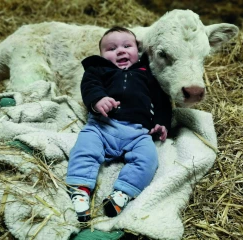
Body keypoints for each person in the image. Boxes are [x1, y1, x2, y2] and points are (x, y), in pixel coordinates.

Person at [66, 26, 172, 222]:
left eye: (127, 46)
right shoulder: (97, 70)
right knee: (84, 148)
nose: (121, 51)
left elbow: (162, 101)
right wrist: (98, 100)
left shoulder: (146, 74)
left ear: (137, 51)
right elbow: (89, 87)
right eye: (111, 48)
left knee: (148, 159)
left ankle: (122, 193)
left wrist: (161, 123)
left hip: (138, 133)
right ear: (101, 55)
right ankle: (80, 188)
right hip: (102, 126)